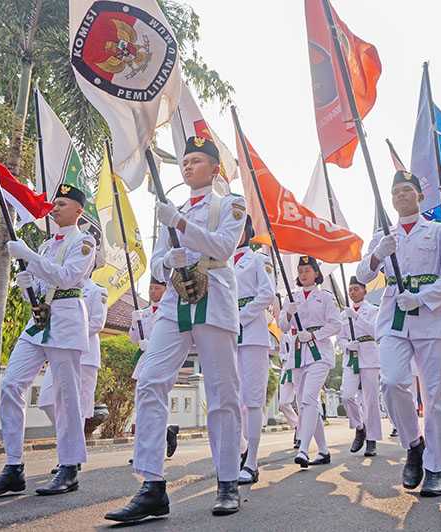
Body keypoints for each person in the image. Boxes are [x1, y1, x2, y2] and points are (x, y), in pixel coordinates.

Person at [105, 136, 246, 522]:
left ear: (215, 169)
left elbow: (222, 248)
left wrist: (180, 225)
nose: (188, 167)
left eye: (197, 160)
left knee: (222, 393)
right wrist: (170, 256)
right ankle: (152, 485)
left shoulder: (230, 204)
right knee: (150, 380)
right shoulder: (174, 207)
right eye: (185, 161)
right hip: (174, 301)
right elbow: (160, 263)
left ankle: (228, 481)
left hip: (213, 298)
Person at [0, 183, 96, 498]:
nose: (55, 208)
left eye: (63, 204)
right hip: (39, 321)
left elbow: (67, 277)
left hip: (66, 318)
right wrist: (27, 282)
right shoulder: (45, 245)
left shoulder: (84, 241)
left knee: (67, 398)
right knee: (12, 385)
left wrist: (28, 256)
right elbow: (42, 280)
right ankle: (13, 466)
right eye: (55, 203)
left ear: (79, 210)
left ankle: (69, 466)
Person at [355, 170, 441, 497]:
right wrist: (377, 253)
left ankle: (435, 468)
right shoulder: (383, 234)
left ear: (419, 195)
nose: (400, 196)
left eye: (406, 190)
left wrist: (423, 297)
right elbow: (362, 274)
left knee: (435, 396)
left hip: (430, 318)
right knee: (392, 381)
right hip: (393, 317)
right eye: (395, 192)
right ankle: (413, 444)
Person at [38, 251, 109, 473]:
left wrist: (72, 327)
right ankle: (70, 449)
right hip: (59, 347)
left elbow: (97, 323)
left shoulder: (98, 291)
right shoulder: (58, 288)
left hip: (86, 355)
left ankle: (69, 458)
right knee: (48, 400)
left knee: (77, 406)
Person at [279, 255, 342, 469]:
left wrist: (315, 335)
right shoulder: (291, 296)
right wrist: (288, 313)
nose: (303, 274)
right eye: (301, 270)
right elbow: (283, 327)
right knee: (305, 401)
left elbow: (336, 324)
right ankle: (323, 451)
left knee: (308, 399)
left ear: (316, 273)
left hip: (319, 353)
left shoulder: (325, 297)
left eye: (308, 270)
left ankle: (303, 449)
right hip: (298, 354)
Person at [233, 216, 276, 485]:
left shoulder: (259, 258)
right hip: (226, 334)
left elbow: (267, 293)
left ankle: (252, 461)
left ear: (247, 231)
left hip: (252, 333)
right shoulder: (220, 261)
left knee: (252, 399)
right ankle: (239, 449)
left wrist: (242, 316)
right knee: (230, 400)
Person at [129, 278, 179, 460]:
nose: (152, 292)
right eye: (150, 288)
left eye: (157, 288)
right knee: (141, 405)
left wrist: (152, 345)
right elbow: (133, 339)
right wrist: (135, 323)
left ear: (166, 290)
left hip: (162, 361)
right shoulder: (143, 313)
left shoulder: (170, 312)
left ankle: (156, 445)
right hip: (144, 362)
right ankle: (144, 450)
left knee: (155, 404)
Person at [338, 275, 383, 457]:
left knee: (370, 400)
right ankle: (359, 426)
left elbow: (375, 331)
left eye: (356, 288)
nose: (353, 292)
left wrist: (356, 317)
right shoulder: (344, 314)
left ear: (364, 290)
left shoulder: (373, 310)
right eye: (350, 289)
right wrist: (346, 345)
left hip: (369, 355)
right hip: (351, 356)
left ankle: (371, 440)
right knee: (347, 395)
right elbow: (340, 337)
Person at [277, 328, 300, 446]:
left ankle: (302, 435)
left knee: (302, 402)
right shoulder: (283, 333)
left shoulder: (302, 325)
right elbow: (281, 352)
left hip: (300, 366)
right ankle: (297, 425)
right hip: (287, 369)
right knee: (283, 403)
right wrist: (284, 358)